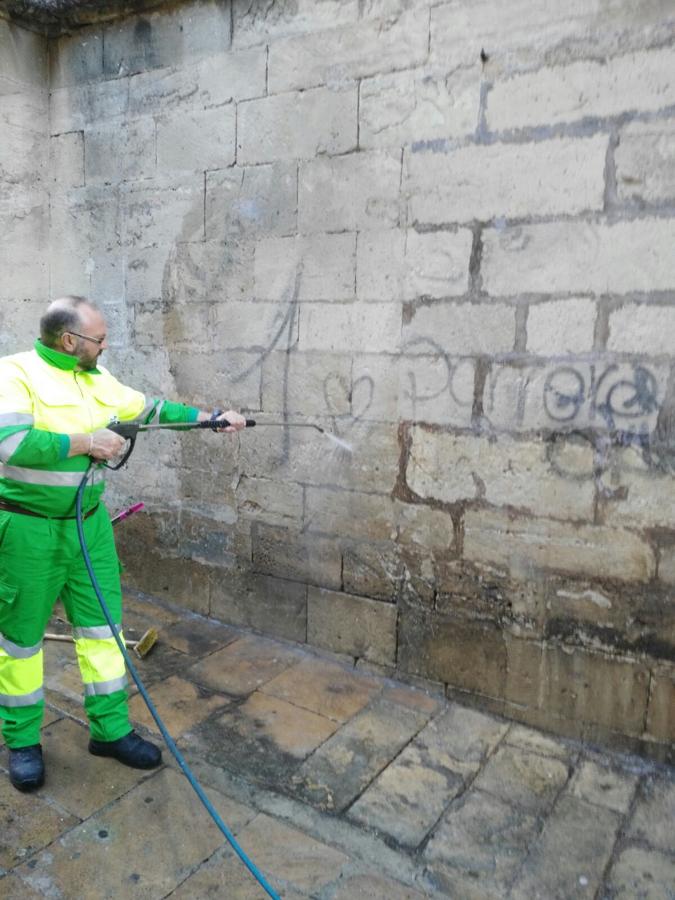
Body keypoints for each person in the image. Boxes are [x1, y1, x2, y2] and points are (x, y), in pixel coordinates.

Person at [0, 295, 246, 791]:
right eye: (99, 338)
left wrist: (209, 417)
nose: (106, 345)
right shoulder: (15, 374)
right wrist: (86, 442)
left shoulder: (98, 379)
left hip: (88, 525)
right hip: (28, 529)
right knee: (21, 642)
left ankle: (110, 730)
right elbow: (10, 443)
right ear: (70, 340)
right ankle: (23, 741)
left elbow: (150, 409)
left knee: (102, 632)